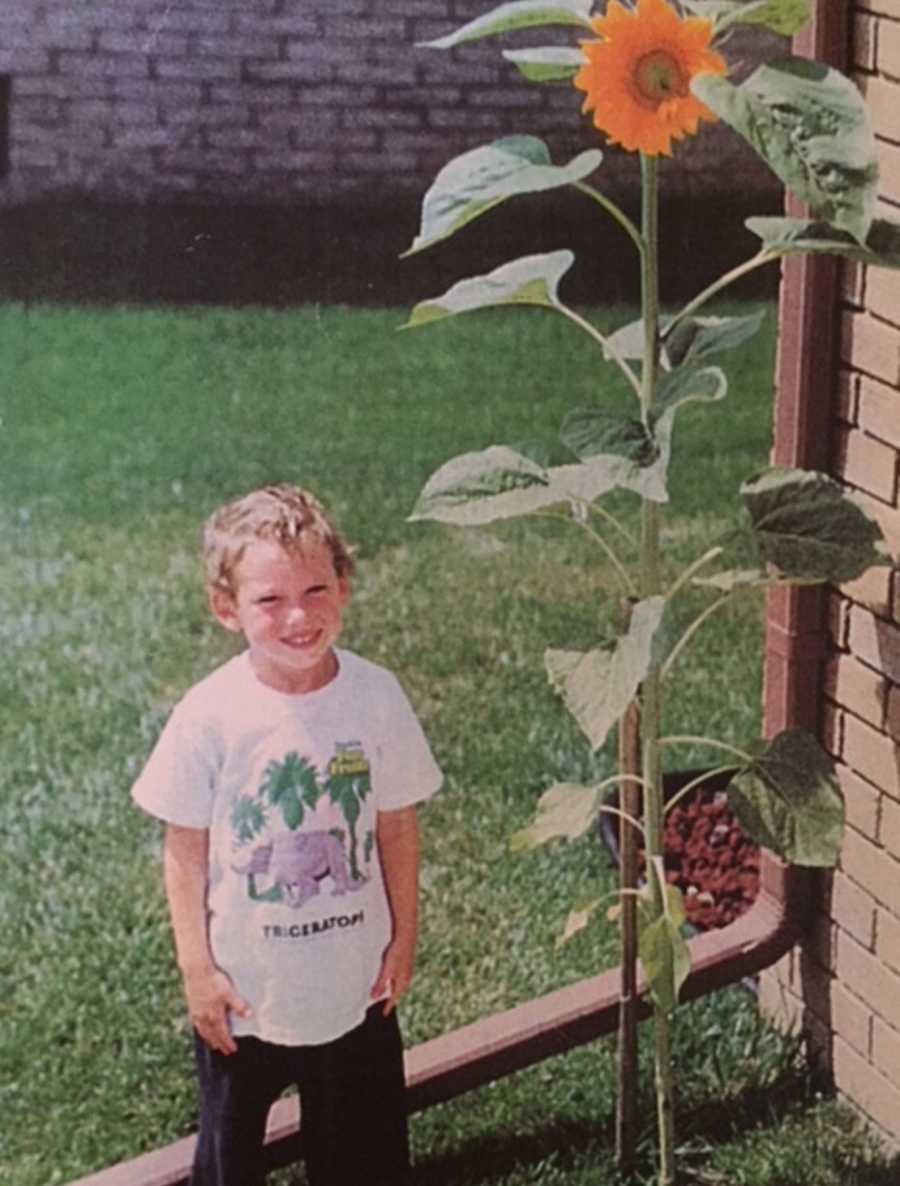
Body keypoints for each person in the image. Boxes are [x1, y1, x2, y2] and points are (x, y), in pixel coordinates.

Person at [132, 483, 443, 1186]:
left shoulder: (375, 697)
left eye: (315, 589)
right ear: (226, 608)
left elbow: (396, 824)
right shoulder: (210, 714)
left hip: (355, 987)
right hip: (243, 1000)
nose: (298, 616)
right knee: (230, 1160)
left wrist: (403, 938)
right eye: (269, 600)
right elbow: (185, 851)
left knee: (363, 1155)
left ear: (344, 586)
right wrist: (197, 973)